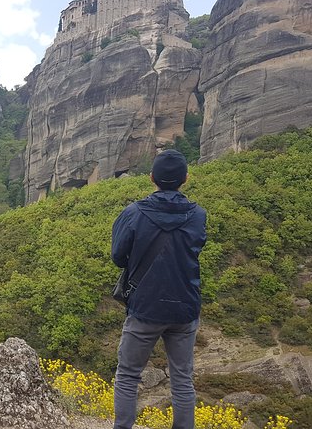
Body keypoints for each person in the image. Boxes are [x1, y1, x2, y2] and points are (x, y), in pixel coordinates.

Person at [111, 149, 206, 429]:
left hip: (145, 307)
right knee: (182, 380)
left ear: (152, 178)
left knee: (128, 375)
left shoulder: (133, 213)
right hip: (185, 307)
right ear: (185, 179)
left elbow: (118, 256)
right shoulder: (198, 215)